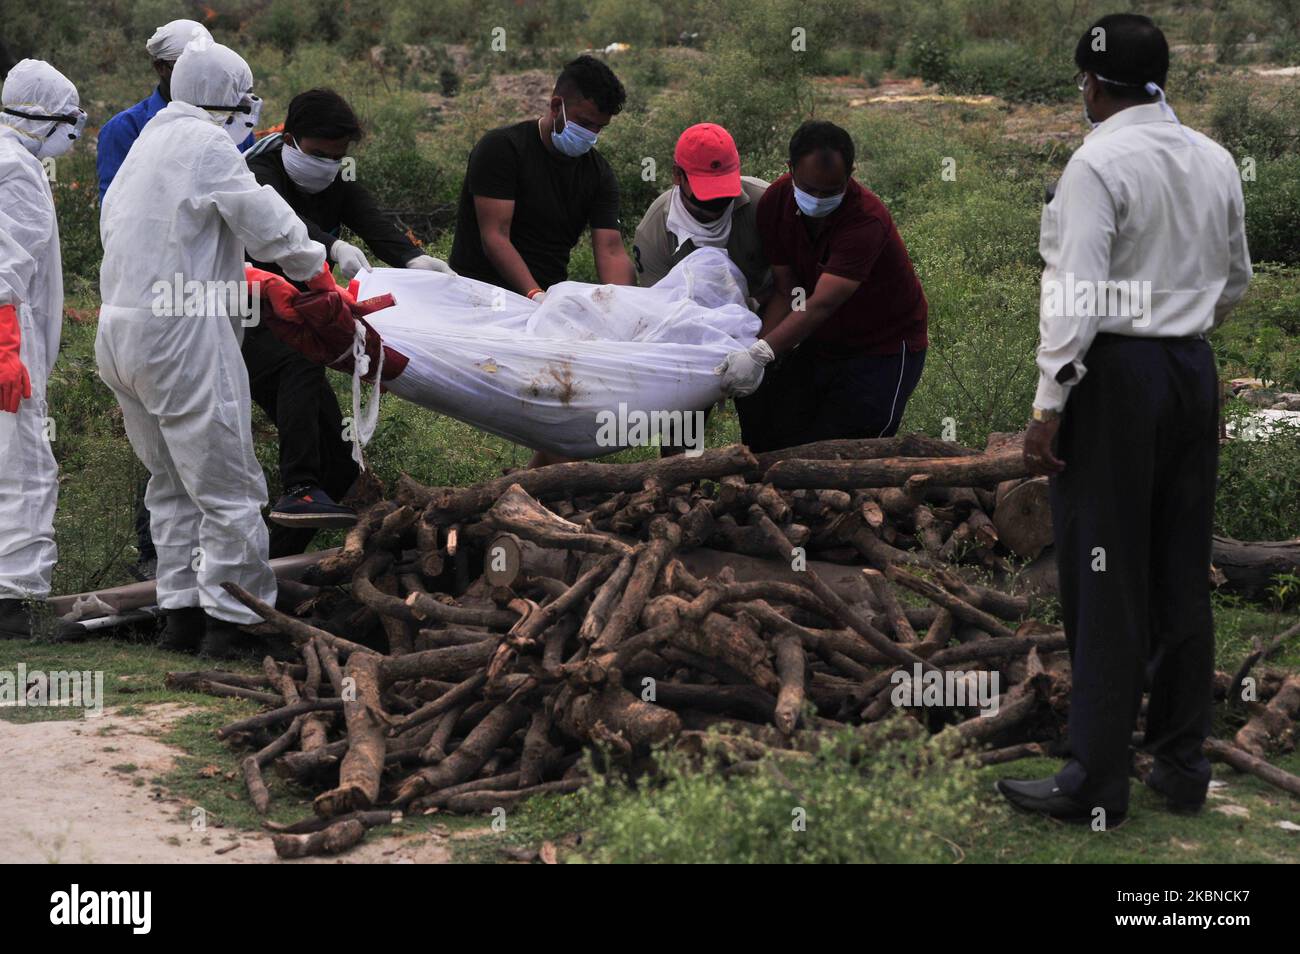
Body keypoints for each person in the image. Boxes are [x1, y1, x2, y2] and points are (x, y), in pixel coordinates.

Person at [998, 14, 1251, 823]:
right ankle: (1181, 765)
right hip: (1189, 368)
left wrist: (1048, 405)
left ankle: (1094, 780)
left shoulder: (1096, 162)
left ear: (1092, 83)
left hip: (1116, 377)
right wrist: (1186, 336)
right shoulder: (1214, 159)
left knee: (1104, 579)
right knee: (1181, 570)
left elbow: (1074, 296)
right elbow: (1237, 280)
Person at [97, 37, 328, 658]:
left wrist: (255, 279)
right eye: (248, 99)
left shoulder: (147, 146)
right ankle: (237, 625)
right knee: (231, 488)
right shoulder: (203, 143)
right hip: (179, 338)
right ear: (230, 100)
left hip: (120, 336)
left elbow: (169, 242)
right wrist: (317, 265)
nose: (253, 112)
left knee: (170, 484)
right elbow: (266, 219)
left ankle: (181, 617)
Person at [243, 88, 451, 553]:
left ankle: (270, 567)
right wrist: (329, 246)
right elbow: (281, 219)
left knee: (337, 467)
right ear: (290, 138)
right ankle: (298, 489)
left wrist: (416, 261)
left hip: (296, 323)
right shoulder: (257, 174)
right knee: (301, 362)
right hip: (242, 317)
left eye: (337, 157)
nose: (326, 165)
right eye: (318, 154)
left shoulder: (337, 184)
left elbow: (375, 223)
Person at [716, 120, 928, 453]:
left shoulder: (865, 220)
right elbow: (789, 291)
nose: (817, 199)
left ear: (851, 175)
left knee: (848, 451)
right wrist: (757, 354)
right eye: (809, 189)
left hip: (882, 349)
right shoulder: (776, 203)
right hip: (823, 340)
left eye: (830, 192)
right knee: (773, 430)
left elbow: (823, 302)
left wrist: (762, 352)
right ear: (790, 169)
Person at [0, 60, 85, 639]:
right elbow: (7, 266)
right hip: (9, 335)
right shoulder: (19, 171)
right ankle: (15, 605)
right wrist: (8, 346)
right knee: (24, 468)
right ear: (45, 117)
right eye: (70, 119)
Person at [448, 54, 635, 300]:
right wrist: (534, 293)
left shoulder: (598, 174)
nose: (591, 135)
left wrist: (624, 302)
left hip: (546, 299)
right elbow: (495, 236)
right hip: (478, 294)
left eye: (599, 128)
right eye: (584, 123)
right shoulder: (502, 149)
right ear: (557, 106)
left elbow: (610, 249)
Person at [96, 18, 255, 201]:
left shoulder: (234, 120)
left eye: (207, 66)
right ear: (161, 68)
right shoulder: (124, 129)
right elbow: (115, 205)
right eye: (185, 66)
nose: (199, 75)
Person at [632, 122, 770, 295]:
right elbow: (659, 308)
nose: (717, 199)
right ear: (677, 175)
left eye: (724, 187)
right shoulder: (653, 233)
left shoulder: (766, 203)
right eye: (707, 189)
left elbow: (789, 285)